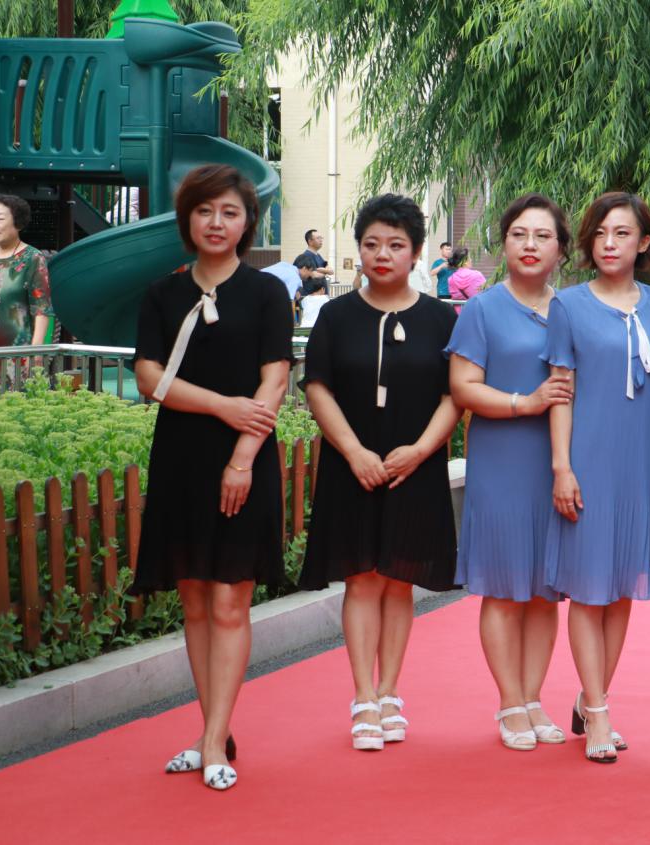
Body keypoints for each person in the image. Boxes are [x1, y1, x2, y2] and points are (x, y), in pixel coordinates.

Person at [131, 164, 293, 792]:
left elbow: (275, 379)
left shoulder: (266, 292)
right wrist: (223, 406)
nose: (216, 222)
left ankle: (213, 739)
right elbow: (150, 379)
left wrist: (242, 458)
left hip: (245, 459)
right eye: (204, 211)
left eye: (229, 212)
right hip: (181, 456)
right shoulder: (162, 294)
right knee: (195, 600)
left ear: (247, 222)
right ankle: (212, 736)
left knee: (230, 599)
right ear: (187, 220)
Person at [298, 194, 460, 752]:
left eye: (395, 245)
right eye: (371, 244)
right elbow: (317, 387)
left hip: (415, 466)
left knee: (399, 579)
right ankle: (363, 695)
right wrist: (354, 452)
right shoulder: (336, 316)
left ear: (415, 252)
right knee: (362, 579)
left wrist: (420, 450)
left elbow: (454, 395)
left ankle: (391, 691)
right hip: (353, 466)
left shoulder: (440, 318)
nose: (382, 254)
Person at [543, 192, 650, 763]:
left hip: (645, 465)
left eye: (622, 233)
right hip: (589, 462)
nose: (610, 243)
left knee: (621, 589)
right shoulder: (568, 306)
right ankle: (597, 712)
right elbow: (561, 392)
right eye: (600, 234)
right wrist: (562, 466)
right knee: (589, 590)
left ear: (644, 243)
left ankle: (592, 696)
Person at [446, 193, 573, 751]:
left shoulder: (571, 309)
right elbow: (463, 388)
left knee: (544, 590)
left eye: (542, 236)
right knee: (503, 589)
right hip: (501, 461)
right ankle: (509, 701)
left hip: (558, 465)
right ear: (504, 244)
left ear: (561, 249)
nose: (530, 245)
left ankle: (534, 697)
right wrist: (527, 402)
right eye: (519, 234)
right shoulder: (483, 310)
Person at [0, 195, 54, 348]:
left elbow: (42, 309)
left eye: (0, 219)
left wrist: (36, 352)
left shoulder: (33, 258)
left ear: (18, 223)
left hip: (17, 350)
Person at [447, 246, 486, 312]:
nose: (471, 260)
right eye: (470, 257)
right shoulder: (477, 275)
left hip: (459, 314)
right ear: (465, 261)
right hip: (475, 313)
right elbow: (485, 294)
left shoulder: (451, 279)